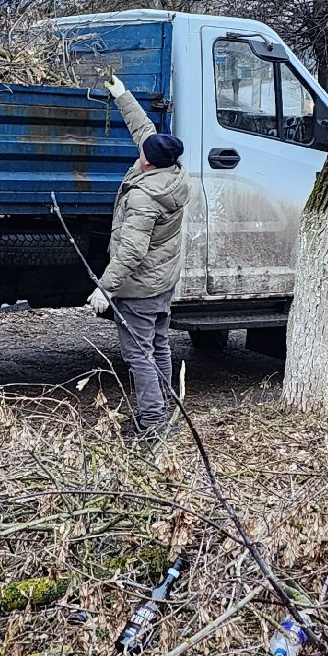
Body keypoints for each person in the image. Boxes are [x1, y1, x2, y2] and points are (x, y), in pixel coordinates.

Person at [86, 74, 190, 436]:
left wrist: (106, 288)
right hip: (161, 282)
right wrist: (122, 94)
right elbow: (143, 128)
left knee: (139, 355)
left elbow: (131, 250)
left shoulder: (146, 197)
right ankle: (162, 408)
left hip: (141, 288)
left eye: (143, 151)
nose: (140, 149)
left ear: (148, 162)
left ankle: (151, 421)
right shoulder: (172, 173)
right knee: (158, 344)